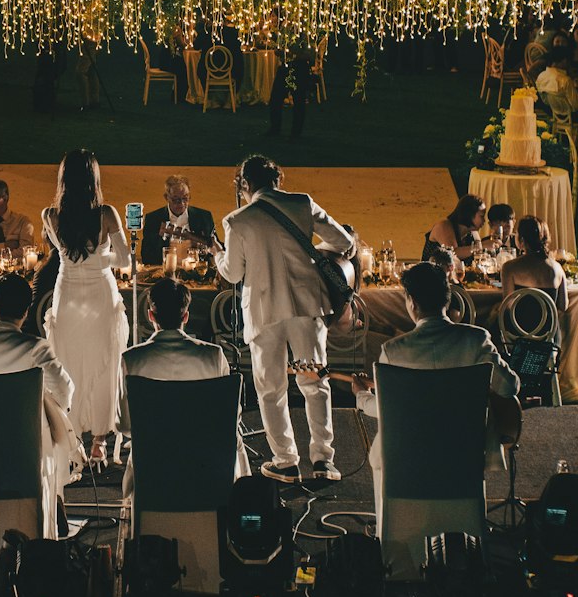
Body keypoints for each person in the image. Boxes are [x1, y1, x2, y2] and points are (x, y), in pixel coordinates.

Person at [351, 262, 520, 536]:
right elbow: (510, 386)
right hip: (463, 455)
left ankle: (396, 542)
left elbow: (385, 409)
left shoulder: (393, 351)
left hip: (407, 459)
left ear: (412, 302)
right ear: (447, 298)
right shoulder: (476, 340)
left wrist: (361, 395)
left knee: (384, 448)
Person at [214, 154, 353, 485]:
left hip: (264, 314)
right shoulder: (302, 203)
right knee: (314, 382)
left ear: (244, 185)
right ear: (277, 179)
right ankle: (323, 460)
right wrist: (307, 254)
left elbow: (232, 273)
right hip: (307, 306)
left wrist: (218, 255)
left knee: (271, 388)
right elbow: (343, 242)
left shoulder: (237, 220)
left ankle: (286, 461)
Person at [0, 273, 78, 538]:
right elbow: (65, 392)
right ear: (26, 310)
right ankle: (51, 508)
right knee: (52, 423)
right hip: (27, 452)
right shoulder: (36, 348)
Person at [42, 149, 130, 466]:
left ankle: (73, 438)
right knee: (104, 367)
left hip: (66, 296)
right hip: (100, 296)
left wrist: (81, 261)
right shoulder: (106, 214)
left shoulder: (49, 216)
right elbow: (125, 261)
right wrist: (98, 261)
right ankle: (99, 443)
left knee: (68, 365)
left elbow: (61, 252)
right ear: (94, 179)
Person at [116, 276, 250, 483]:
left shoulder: (131, 359)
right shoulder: (213, 355)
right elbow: (229, 415)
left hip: (153, 464)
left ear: (150, 315)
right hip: (206, 463)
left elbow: (125, 425)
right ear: (186, 316)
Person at [139, 175, 217, 264]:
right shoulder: (153, 219)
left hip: (197, 273)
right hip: (163, 274)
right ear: (166, 197)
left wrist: (202, 246)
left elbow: (216, 249)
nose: (181, 203)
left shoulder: (204, 216)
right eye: (176, 199)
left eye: (185, 198)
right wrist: (159, 238)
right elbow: (146, 256)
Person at [500, 215, 568, 312]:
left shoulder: (509, 267)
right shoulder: (557, 268)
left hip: (518, 326)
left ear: (522, 240)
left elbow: (508, 305)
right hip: (549, 326)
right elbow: (563, 306)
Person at [423, 194, 486, 263]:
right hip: (432, 272)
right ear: (469, 214)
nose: (484, 220)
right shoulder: (444, 226)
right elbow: (453, 253)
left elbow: (479, 255)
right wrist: (483, 245)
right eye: (482, 216)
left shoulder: (473, 233)